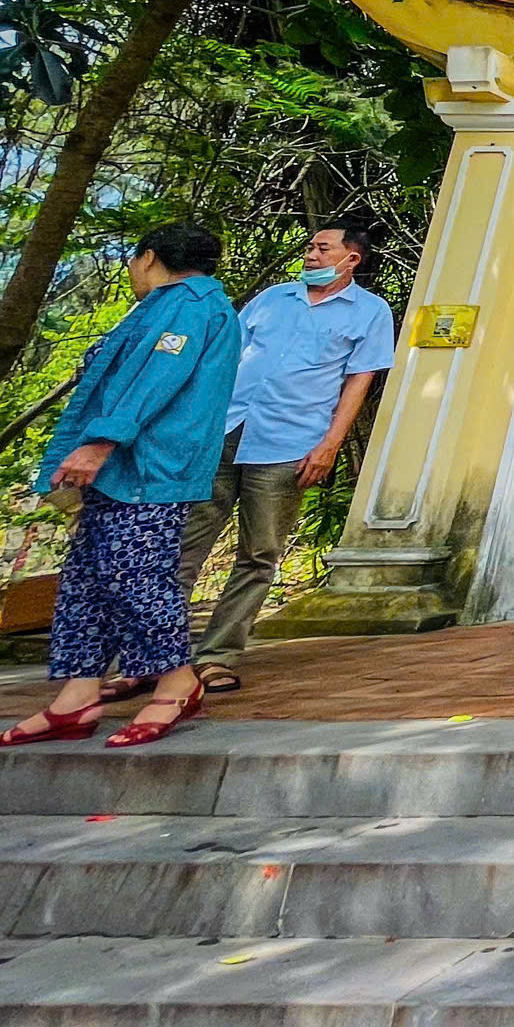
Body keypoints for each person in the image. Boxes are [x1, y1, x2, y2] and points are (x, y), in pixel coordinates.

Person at [0, 224, 239, 752]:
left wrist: (100, 443)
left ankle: (176, 683)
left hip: (151, 467)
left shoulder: (191, 307)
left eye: (132, 260)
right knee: (86, 581)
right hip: (121, 468)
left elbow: (154, 381)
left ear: (148, 257)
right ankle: (76, 699)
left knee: (137, 577)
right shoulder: (162, 306)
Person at [166, 218, 394, 696]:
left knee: (259, 553)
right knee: (186, 543)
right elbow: (227, 357)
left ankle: (216, 657)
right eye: (310, 246)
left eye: (322, 248)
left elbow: (359, 382)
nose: (311, 255)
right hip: (226, 430)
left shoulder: (369, 313)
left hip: (290, 444)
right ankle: (154, 657)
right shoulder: (272, 299)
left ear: (351, 259)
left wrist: (329, 444)